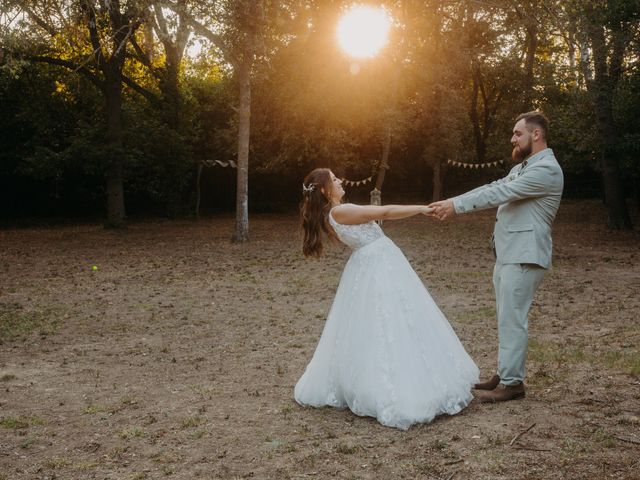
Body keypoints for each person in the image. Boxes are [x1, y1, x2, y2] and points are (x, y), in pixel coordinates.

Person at [294, 168, 479, 430]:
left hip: (376, 262)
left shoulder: (332, 213)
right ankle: (394, 386)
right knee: (389, 319)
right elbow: (384, 212)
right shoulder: (338, 212)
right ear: (324, 190)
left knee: (391, 318)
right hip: (378, 264)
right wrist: (421, 208)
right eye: (334, 179)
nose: (340, 180)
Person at [429, 111, 564, 403]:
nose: (512, 138)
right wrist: (453, 201)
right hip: (509, 254)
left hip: (525, 255)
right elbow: (492, 187)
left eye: (518, 133)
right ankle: (504, 375)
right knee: (506, 318)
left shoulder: (547, 169)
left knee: (513, 320)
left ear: (536, 135)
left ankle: (513, 384)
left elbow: (502, 193)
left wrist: (457, 206)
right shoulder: (526, 166)